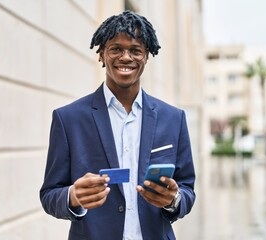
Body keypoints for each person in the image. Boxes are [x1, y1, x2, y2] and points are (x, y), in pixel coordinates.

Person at [40, 10, 196, 240]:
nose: (126, 57)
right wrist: (73, 196)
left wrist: (174, 200)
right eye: (116, 49)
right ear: (102, 54)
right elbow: (49, 195)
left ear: (146, 57)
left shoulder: (173, 118)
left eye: (135, 50)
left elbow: (187, 190)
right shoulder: (68, 119)